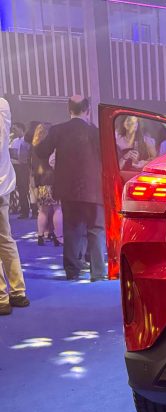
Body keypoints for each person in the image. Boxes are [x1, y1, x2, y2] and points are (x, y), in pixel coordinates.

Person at [35, 95, 106, 281]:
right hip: (94, 188)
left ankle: (72, 271)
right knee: (96, 229)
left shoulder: (58, 130)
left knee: (71, 229)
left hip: (68, 189)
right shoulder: (95, 132)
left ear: (69, 110)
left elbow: (41, 151)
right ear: (87, 110)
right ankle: (98, 273)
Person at [0, 97, 30, 315]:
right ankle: (18, 292)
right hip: (3, 183)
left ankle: (1, 297)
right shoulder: (3, 105)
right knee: (6, 239)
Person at [30, 123, 63, 247]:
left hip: (41, 181)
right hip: (53, 180)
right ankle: (58, 236)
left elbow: (32, 166)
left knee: (43, 210)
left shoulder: (34, 147)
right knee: (57, 208)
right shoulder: (51, 147)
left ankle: (40, 236)